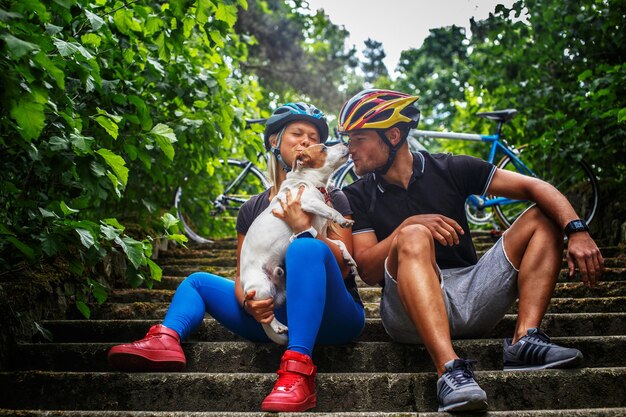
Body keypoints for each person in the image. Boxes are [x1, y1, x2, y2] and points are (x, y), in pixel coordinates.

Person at [337, 89, 604, 413]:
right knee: (413, 235)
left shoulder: (451, 167)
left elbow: (537, 187)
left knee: (543, 216)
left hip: (473, 294)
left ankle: (525, 339)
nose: (349, 148)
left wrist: (577, 230)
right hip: (406, 312)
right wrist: (408, 226)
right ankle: (449, 370)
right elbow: (365, 268)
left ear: (393, 135)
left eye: (358, 138)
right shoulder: (356, 193)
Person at [107, 102, 365, 413]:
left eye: (314, 137)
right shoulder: (251, 209)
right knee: (197, 282)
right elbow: (244, 272)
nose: (307, 142)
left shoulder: (331, 196)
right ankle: (167, 340)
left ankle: (297, 371)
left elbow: (343, 267)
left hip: (335, 318)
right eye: (298, 134)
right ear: (274, 141)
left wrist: (304, 228)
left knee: (304, 247)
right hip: (276, 318)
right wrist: (250, 302)